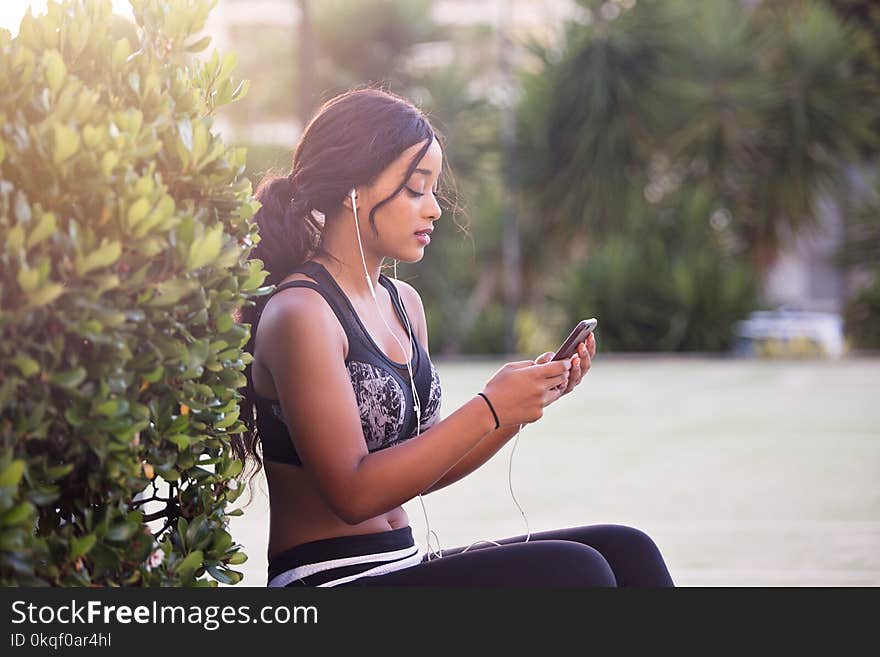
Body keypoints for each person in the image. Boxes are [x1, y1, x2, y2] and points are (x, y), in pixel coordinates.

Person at [234, 88, 674, 588]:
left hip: (400, 566)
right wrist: (490, 406)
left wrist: (518, 408)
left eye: (434, 189)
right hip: (329, 582)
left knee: (626, 548)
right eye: (415, 189)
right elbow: (352, 495)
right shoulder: (302, 312)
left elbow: (429, 465)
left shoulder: (402, 304)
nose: (435, 210)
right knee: (577, 572)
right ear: (352, 189)